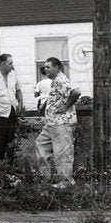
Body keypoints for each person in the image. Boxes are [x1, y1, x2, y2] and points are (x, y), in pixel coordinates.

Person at [35, 57, 81, 190]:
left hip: (62, 123)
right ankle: (45, 178)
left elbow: (76, 92)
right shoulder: (54, 81)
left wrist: (65, 107)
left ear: (57, 67)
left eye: (48, 67)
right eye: (45, 67)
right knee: (41, 144)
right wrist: (44, 106)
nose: (45, 69)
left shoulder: (61, 79)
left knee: (63, 152)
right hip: (52, 122)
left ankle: (66, 182)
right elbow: (56, 96)